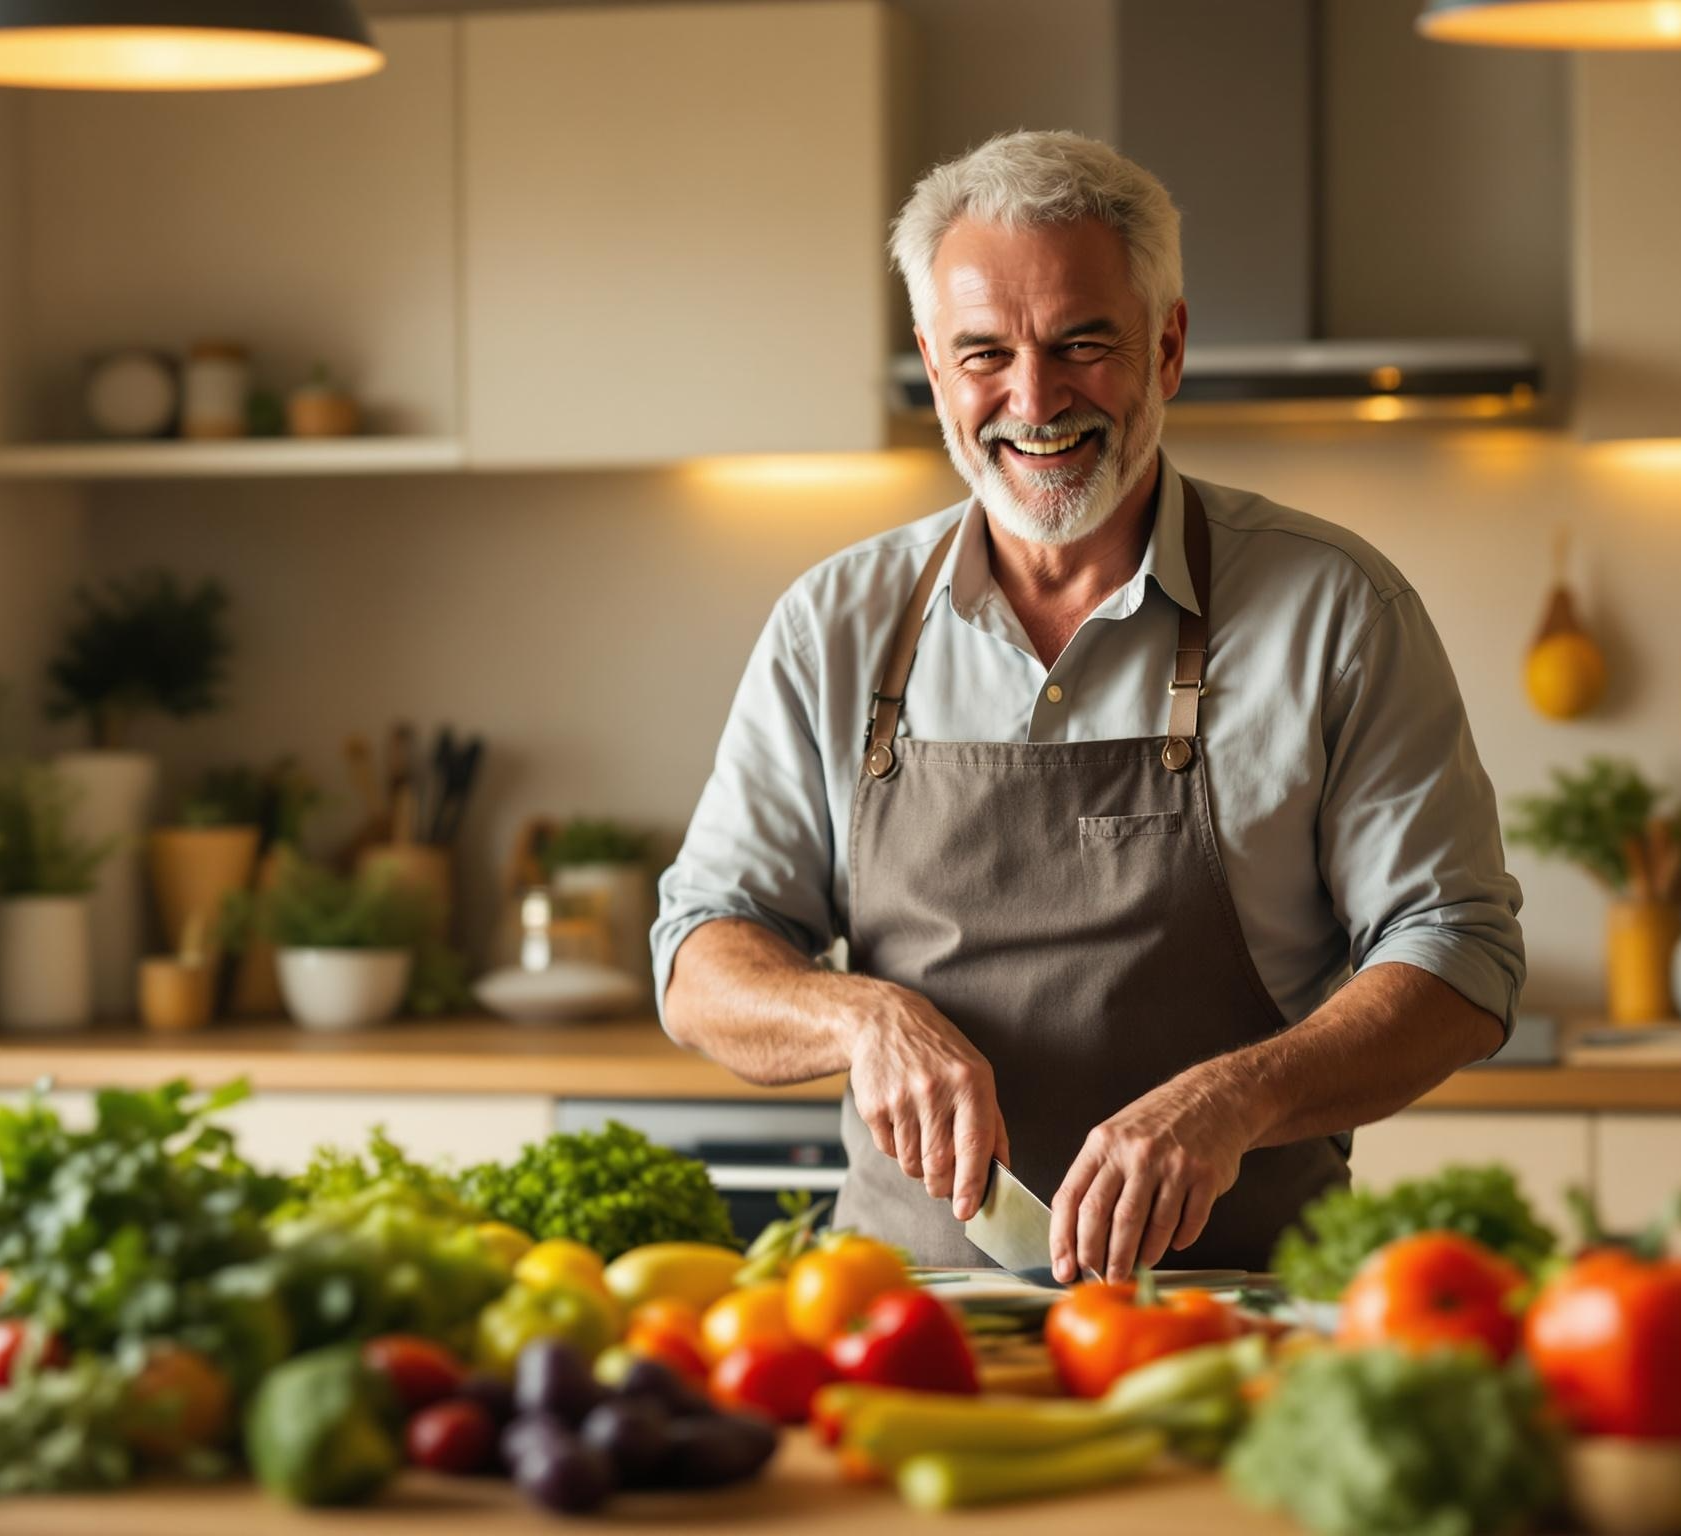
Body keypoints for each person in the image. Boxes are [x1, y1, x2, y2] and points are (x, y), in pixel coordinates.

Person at [650, 130, 1524, 1282]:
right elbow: (701, 951)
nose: (1034, 398)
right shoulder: (835, 624)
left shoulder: (1337, 609)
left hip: (1240, 1312)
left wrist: (1236, 1096)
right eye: (983, 353)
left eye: (1082, 343)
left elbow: (1460, 951)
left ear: (1167, 346)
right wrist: (860, 1020)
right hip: (906, 1319)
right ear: (932, 364)